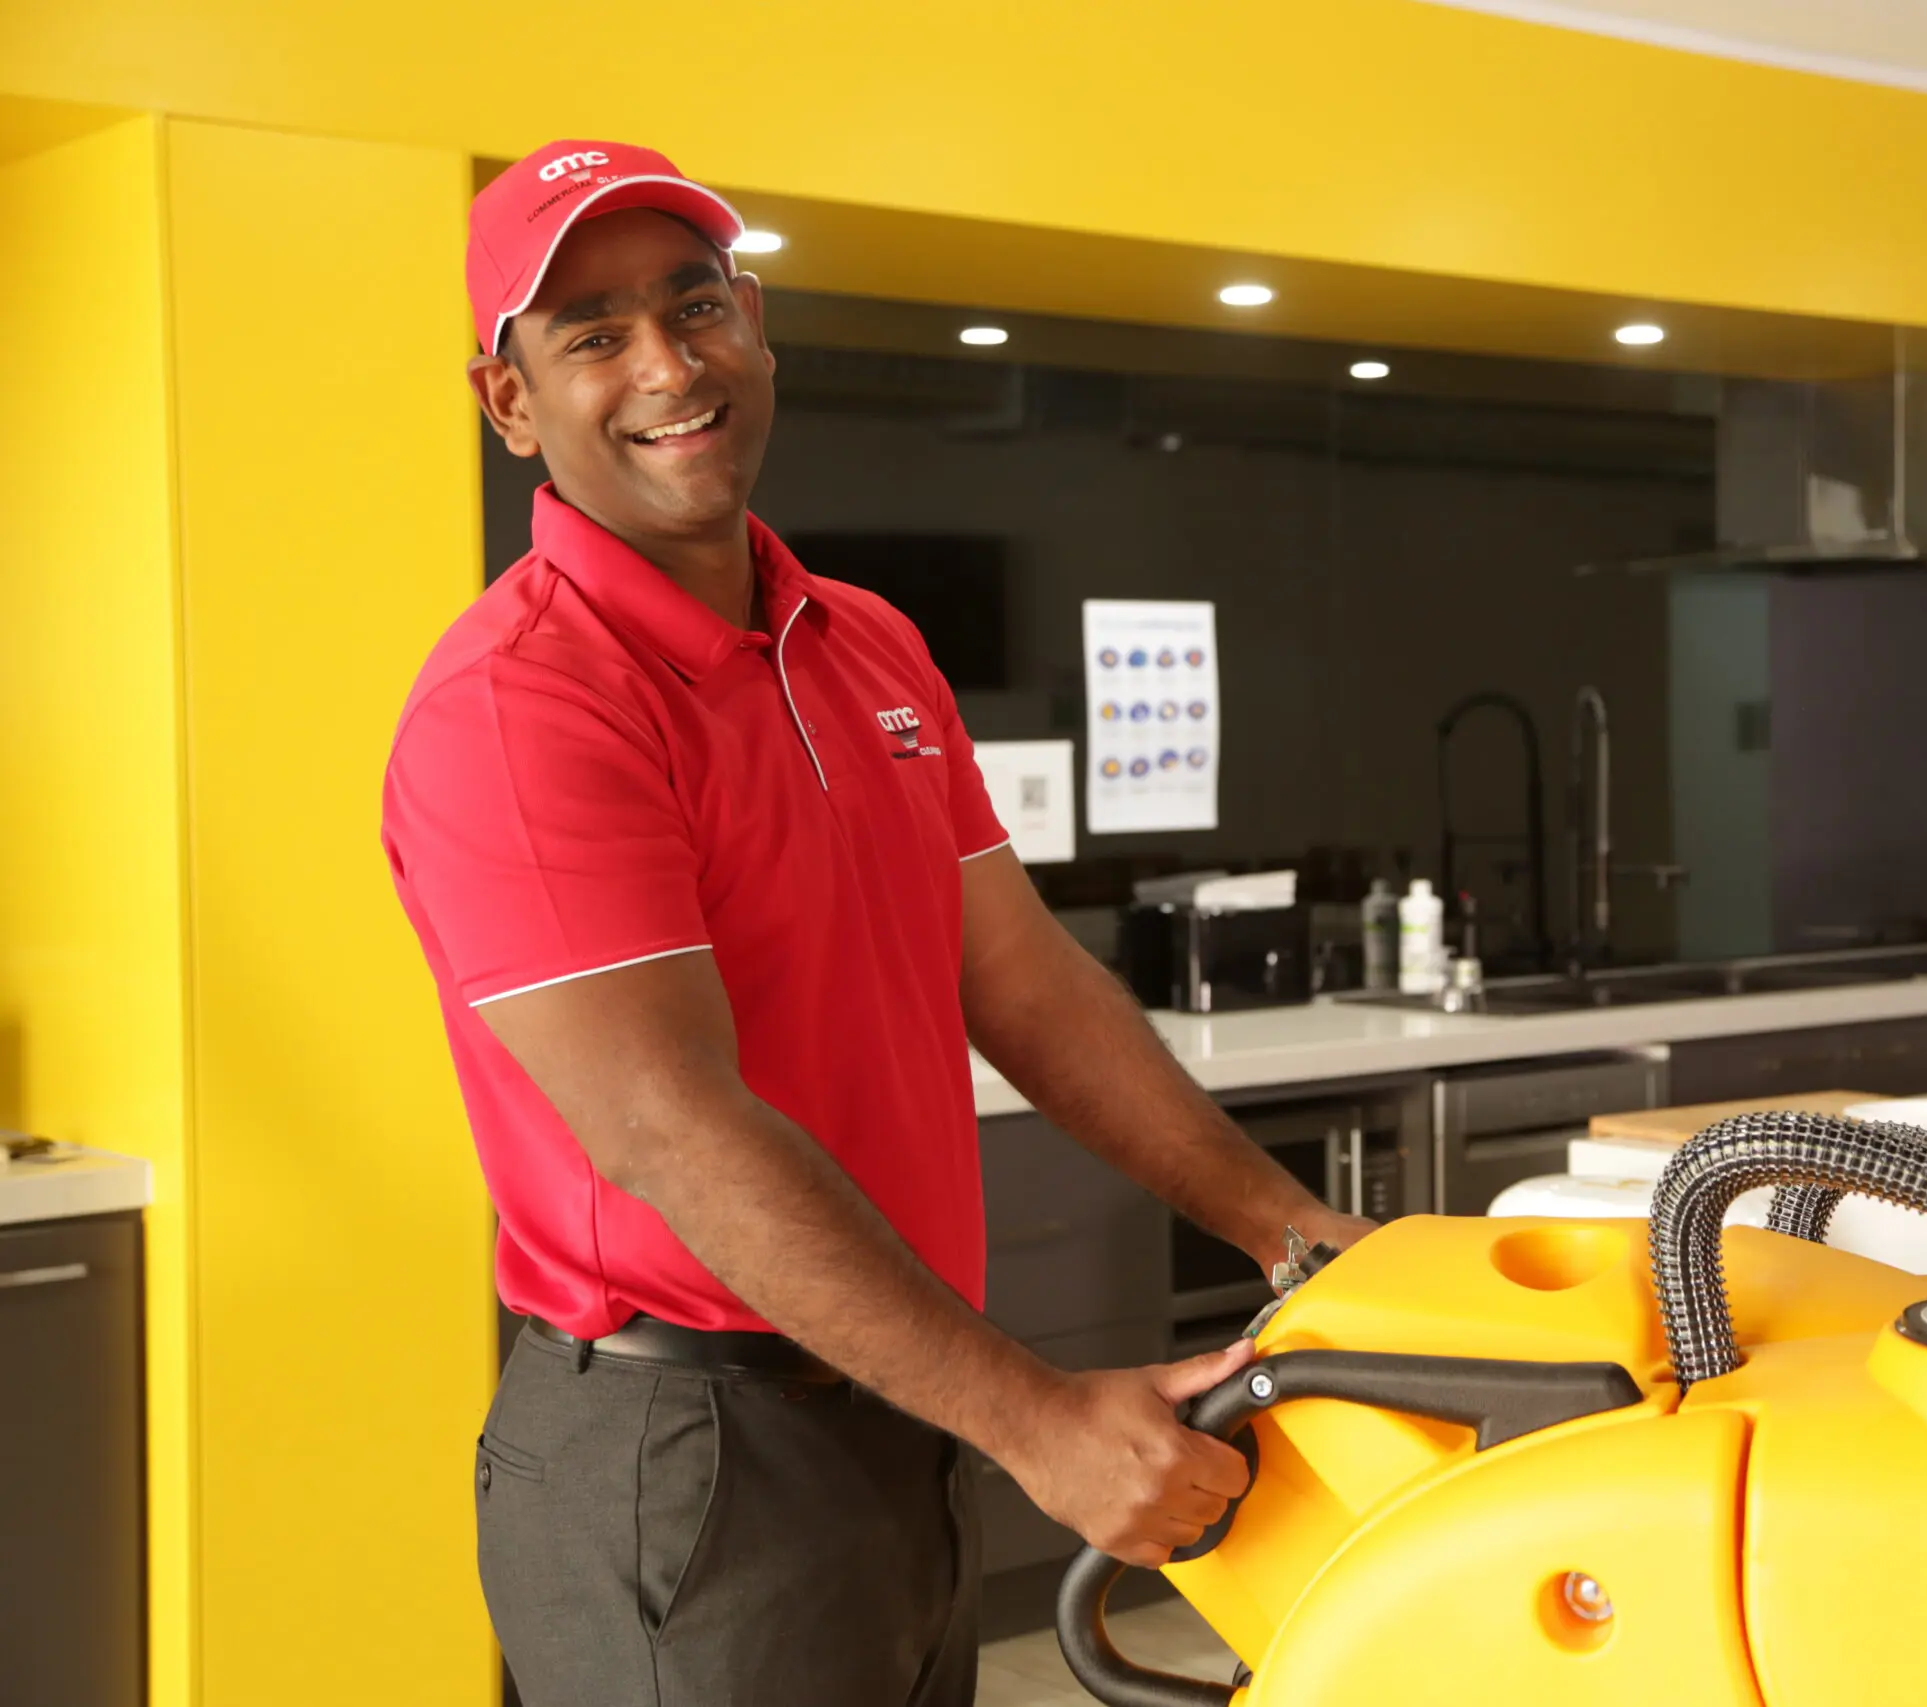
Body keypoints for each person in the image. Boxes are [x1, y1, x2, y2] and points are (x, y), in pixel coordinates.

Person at [381, 139, 1374, 1707]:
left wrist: (1287, 1226)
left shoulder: (865, 644)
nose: (668, 365)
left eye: (694, 305)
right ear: (510, 404)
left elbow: (1022, 975)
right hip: (688, 1446)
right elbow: (669, 1125)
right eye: (592, 335)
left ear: (755, 321)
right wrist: (1038, 1421)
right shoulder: (523, 707)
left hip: (894, 1394)